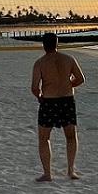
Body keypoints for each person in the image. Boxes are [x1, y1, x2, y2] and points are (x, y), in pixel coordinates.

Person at [31, 32, 85, 182]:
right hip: (67, 99)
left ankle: (48, 173)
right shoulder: (69, 59)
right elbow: (81, 79)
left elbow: (35, 87)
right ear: (57, 43)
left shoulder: (40, 63)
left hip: (49, 101)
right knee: (70, 137)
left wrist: (40, 97)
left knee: (44, 138)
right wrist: (69, 84)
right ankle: (70, 170)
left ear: (43, 45)